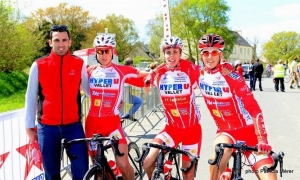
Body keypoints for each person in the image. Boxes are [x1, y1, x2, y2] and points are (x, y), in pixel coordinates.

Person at [197, 33, 276, 180]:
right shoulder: (198, 75)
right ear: (201, 55)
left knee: (270, 177)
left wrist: (262, 139)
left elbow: (254, 108)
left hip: (250, 134)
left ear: (221, 54)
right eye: (205, 52)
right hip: (226, 133)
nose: (209, 57)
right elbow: (175, 66)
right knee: (217, 157)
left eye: (214, 52)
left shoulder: (233, 77)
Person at [24, 25, 89, 180]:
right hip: (47, 128)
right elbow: (31, 97)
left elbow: (90, 91)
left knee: (82, 172)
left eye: (64, 40)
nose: (61, 44)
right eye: (57, 40)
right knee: (51, 174)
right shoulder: (38, 65)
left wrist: (112, 101)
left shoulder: (78, 64)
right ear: (50, 42)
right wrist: (29, 126)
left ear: (70, 42)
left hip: (73, 126)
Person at [85, 34, 149, 180]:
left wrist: (151, 79)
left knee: (124, 164)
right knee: (97, 166)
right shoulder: (90, 71)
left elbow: (143, 74)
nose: (103, 55)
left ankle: (117, 168)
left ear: (112, 51)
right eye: (100, 51)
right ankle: (110, 170)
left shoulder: (121, 70)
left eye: (106, 51)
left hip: (112, 125)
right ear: (96, 52)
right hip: (92, 124)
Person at [143, 36, 202, 180]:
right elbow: (129, 76)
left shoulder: (191, 69)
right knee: (148, 162)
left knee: (187, 175)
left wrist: (226, 67)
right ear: (163, 54)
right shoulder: (158, 73)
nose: (172, 56)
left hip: (191, 130)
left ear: (180, 53)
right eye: (168, 52)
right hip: (171, 130)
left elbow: (212, 72)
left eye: (175, 51)